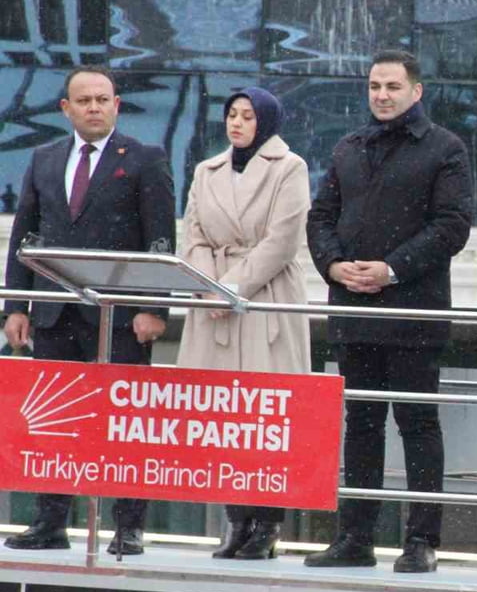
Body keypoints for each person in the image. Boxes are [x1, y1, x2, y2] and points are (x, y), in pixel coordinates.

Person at [305, 49, 473, 573]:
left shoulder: (445, 148)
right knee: (361, 424)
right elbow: (320, 217)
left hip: (414, 313)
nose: (382, 95)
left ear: (416, 91)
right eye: (375, 86)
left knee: (417, 424)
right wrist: (334, 266)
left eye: (393, 86)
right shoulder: (349, 147)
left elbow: (452, 226)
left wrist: (392, 269)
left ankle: (421, 541)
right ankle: (355, 537)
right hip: (353, 309)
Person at [3, 65, 175, 556]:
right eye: (84, 100)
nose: (94, 108)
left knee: (125, 425)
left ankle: (128, 527)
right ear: (66, 108)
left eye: (103, 99)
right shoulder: (43, 158)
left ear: (116, 105)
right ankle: (50, 521)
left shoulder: (144, 158)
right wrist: (16, 306)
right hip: (55, 314)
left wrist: (154, 308)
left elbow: (160, 239)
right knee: (53, 423)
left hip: (120, 318)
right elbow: (25, 236)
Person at [176, 86, 311, 560]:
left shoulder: (289, 167)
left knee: (267, 417)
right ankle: (236, 520)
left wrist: (231, 288)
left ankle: (268, 524)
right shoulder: (205, 170)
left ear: (266, 121)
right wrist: (207, 286)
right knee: (224, 417)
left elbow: (282, 241)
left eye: (248, 115)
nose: (236, 123)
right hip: (213, 299)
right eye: (232, 114)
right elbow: (192, 236)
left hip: (264, 298)